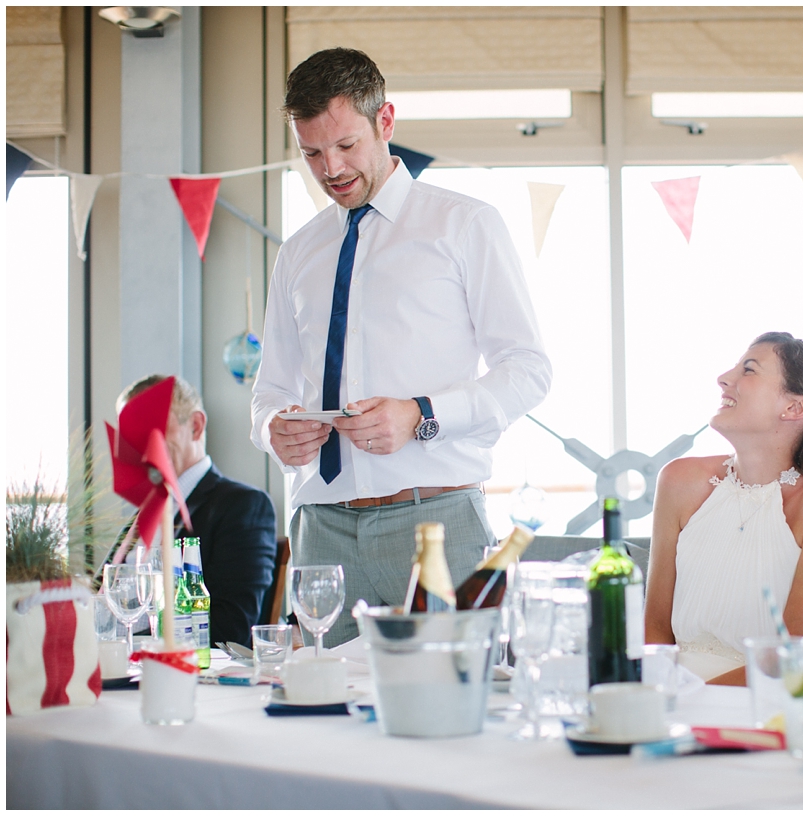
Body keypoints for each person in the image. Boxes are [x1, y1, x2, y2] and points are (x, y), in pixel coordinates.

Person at [250, 48, 551, 646]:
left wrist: (421, 414)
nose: (331, 168)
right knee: (323, 700)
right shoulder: (298, 252)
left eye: (346, 145)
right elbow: (271, 390)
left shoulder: (465, 224)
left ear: (385, 121)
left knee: (455, 695)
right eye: (312, 153)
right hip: (321, 530)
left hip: (435, 522)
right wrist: (271, 429)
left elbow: (528, 370)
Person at [645, 332, 803, 685]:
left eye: (748, 370)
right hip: (670, 695)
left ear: (795, 407)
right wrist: (660, 699)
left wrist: (693, 699)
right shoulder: (678, 480)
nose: (723, 379)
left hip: (760, 702)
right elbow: (653, 632)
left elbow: (793, 662)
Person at [105, 375, 278, 648]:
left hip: (181, 667)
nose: (137, 442)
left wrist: (130, 644)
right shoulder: (143, 514)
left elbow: (230, 626)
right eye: (129, 431)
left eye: (148, 425)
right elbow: (99, 597)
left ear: (195, 426)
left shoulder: (243, 506)